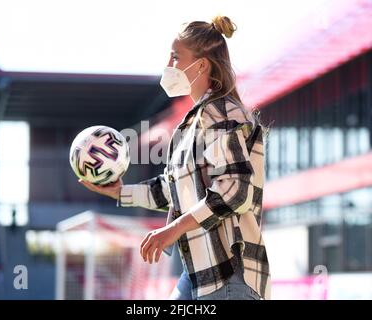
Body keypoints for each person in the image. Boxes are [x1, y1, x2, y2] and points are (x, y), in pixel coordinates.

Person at [79, 15, 271, 300]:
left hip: (230, 276)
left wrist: (172, 230)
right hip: (197, 275)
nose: (169, 66)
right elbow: (173, 191)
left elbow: (234, 193)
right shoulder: (192, 123)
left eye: (175, 57)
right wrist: (120, 192)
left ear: (202, 65)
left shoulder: (222, 113)